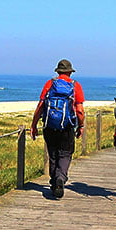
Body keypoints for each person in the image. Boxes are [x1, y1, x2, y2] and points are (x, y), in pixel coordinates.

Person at [31, 59, 85, 199]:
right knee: (65, 153)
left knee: (53, 154)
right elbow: (79, 110)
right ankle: (60, 178)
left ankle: (54, 181)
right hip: (67, 126)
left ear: (58, 71)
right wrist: (81, 126)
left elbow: (41, 105)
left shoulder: (50, 84)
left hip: (49, 125)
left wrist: (34, 125)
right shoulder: (75, 86)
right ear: (70, 72)